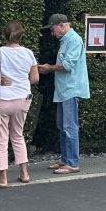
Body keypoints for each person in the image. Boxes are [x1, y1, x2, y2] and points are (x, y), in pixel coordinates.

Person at [0, 21, 39, 188]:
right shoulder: (29, 53)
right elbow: (35, 79)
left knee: (0, 139)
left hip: (1, 99)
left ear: (3, 35)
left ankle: (3, 178)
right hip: (22, 99)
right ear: (21, 36)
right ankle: (24, 173)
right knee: (18, 135)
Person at [38, 13, 90, 174]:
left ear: (62, 25)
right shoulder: (66, 40)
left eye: (53, 30)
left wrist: (49, 68)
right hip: (64, 90)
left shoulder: (74, 40)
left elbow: (67, 65)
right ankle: (65, 159)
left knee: (69, 126)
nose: (53, 34)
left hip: (70, 89)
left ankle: (73, 163)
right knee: (63, 126)